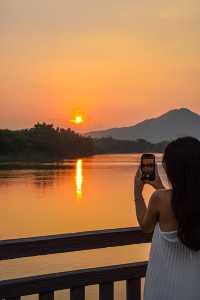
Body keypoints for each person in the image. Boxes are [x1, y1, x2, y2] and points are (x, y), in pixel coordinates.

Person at [134, 137, 200, 300]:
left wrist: (137, 193)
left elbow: (146, 226)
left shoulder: (159, 199)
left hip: (163, 288)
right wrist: (160, 186)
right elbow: (181, 208)